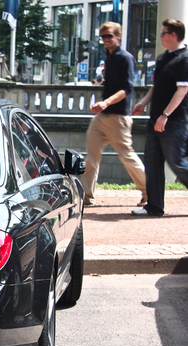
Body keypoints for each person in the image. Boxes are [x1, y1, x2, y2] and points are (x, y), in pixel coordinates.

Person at [80, 22, 147, 207]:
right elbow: (113, 82)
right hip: (103, 117)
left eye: (109, 36)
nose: (106, 40)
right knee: (91, 156)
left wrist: (106, 102)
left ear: (118, 36)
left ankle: (149, 190)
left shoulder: (125, 58)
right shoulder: (108, 57)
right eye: (103, 37)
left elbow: (127, 88)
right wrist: (102, 84)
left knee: (127, 156)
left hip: (118, 117)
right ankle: (86, 195)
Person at [131, 19, 188, 217]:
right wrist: (144, 102)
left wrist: (165, 115)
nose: (161, 36)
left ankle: (154, 205)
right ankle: (154, 207)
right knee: (152, 163)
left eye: (164, 33)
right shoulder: (163, 57)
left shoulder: (184, 58)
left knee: (177, 164)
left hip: (173, 122)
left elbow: (182, 90)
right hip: (155, 119)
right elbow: (157, 87)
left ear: (174, 35)